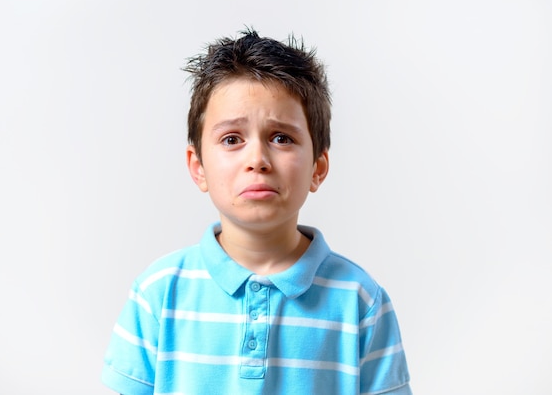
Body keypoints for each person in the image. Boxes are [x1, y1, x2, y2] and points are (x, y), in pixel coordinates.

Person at [101, 29, 412, 394]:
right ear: (198, 165)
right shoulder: (157, 294)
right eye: (232, 139)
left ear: (318, 167)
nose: (258, 160)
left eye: (282, 138)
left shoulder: (361, 300)